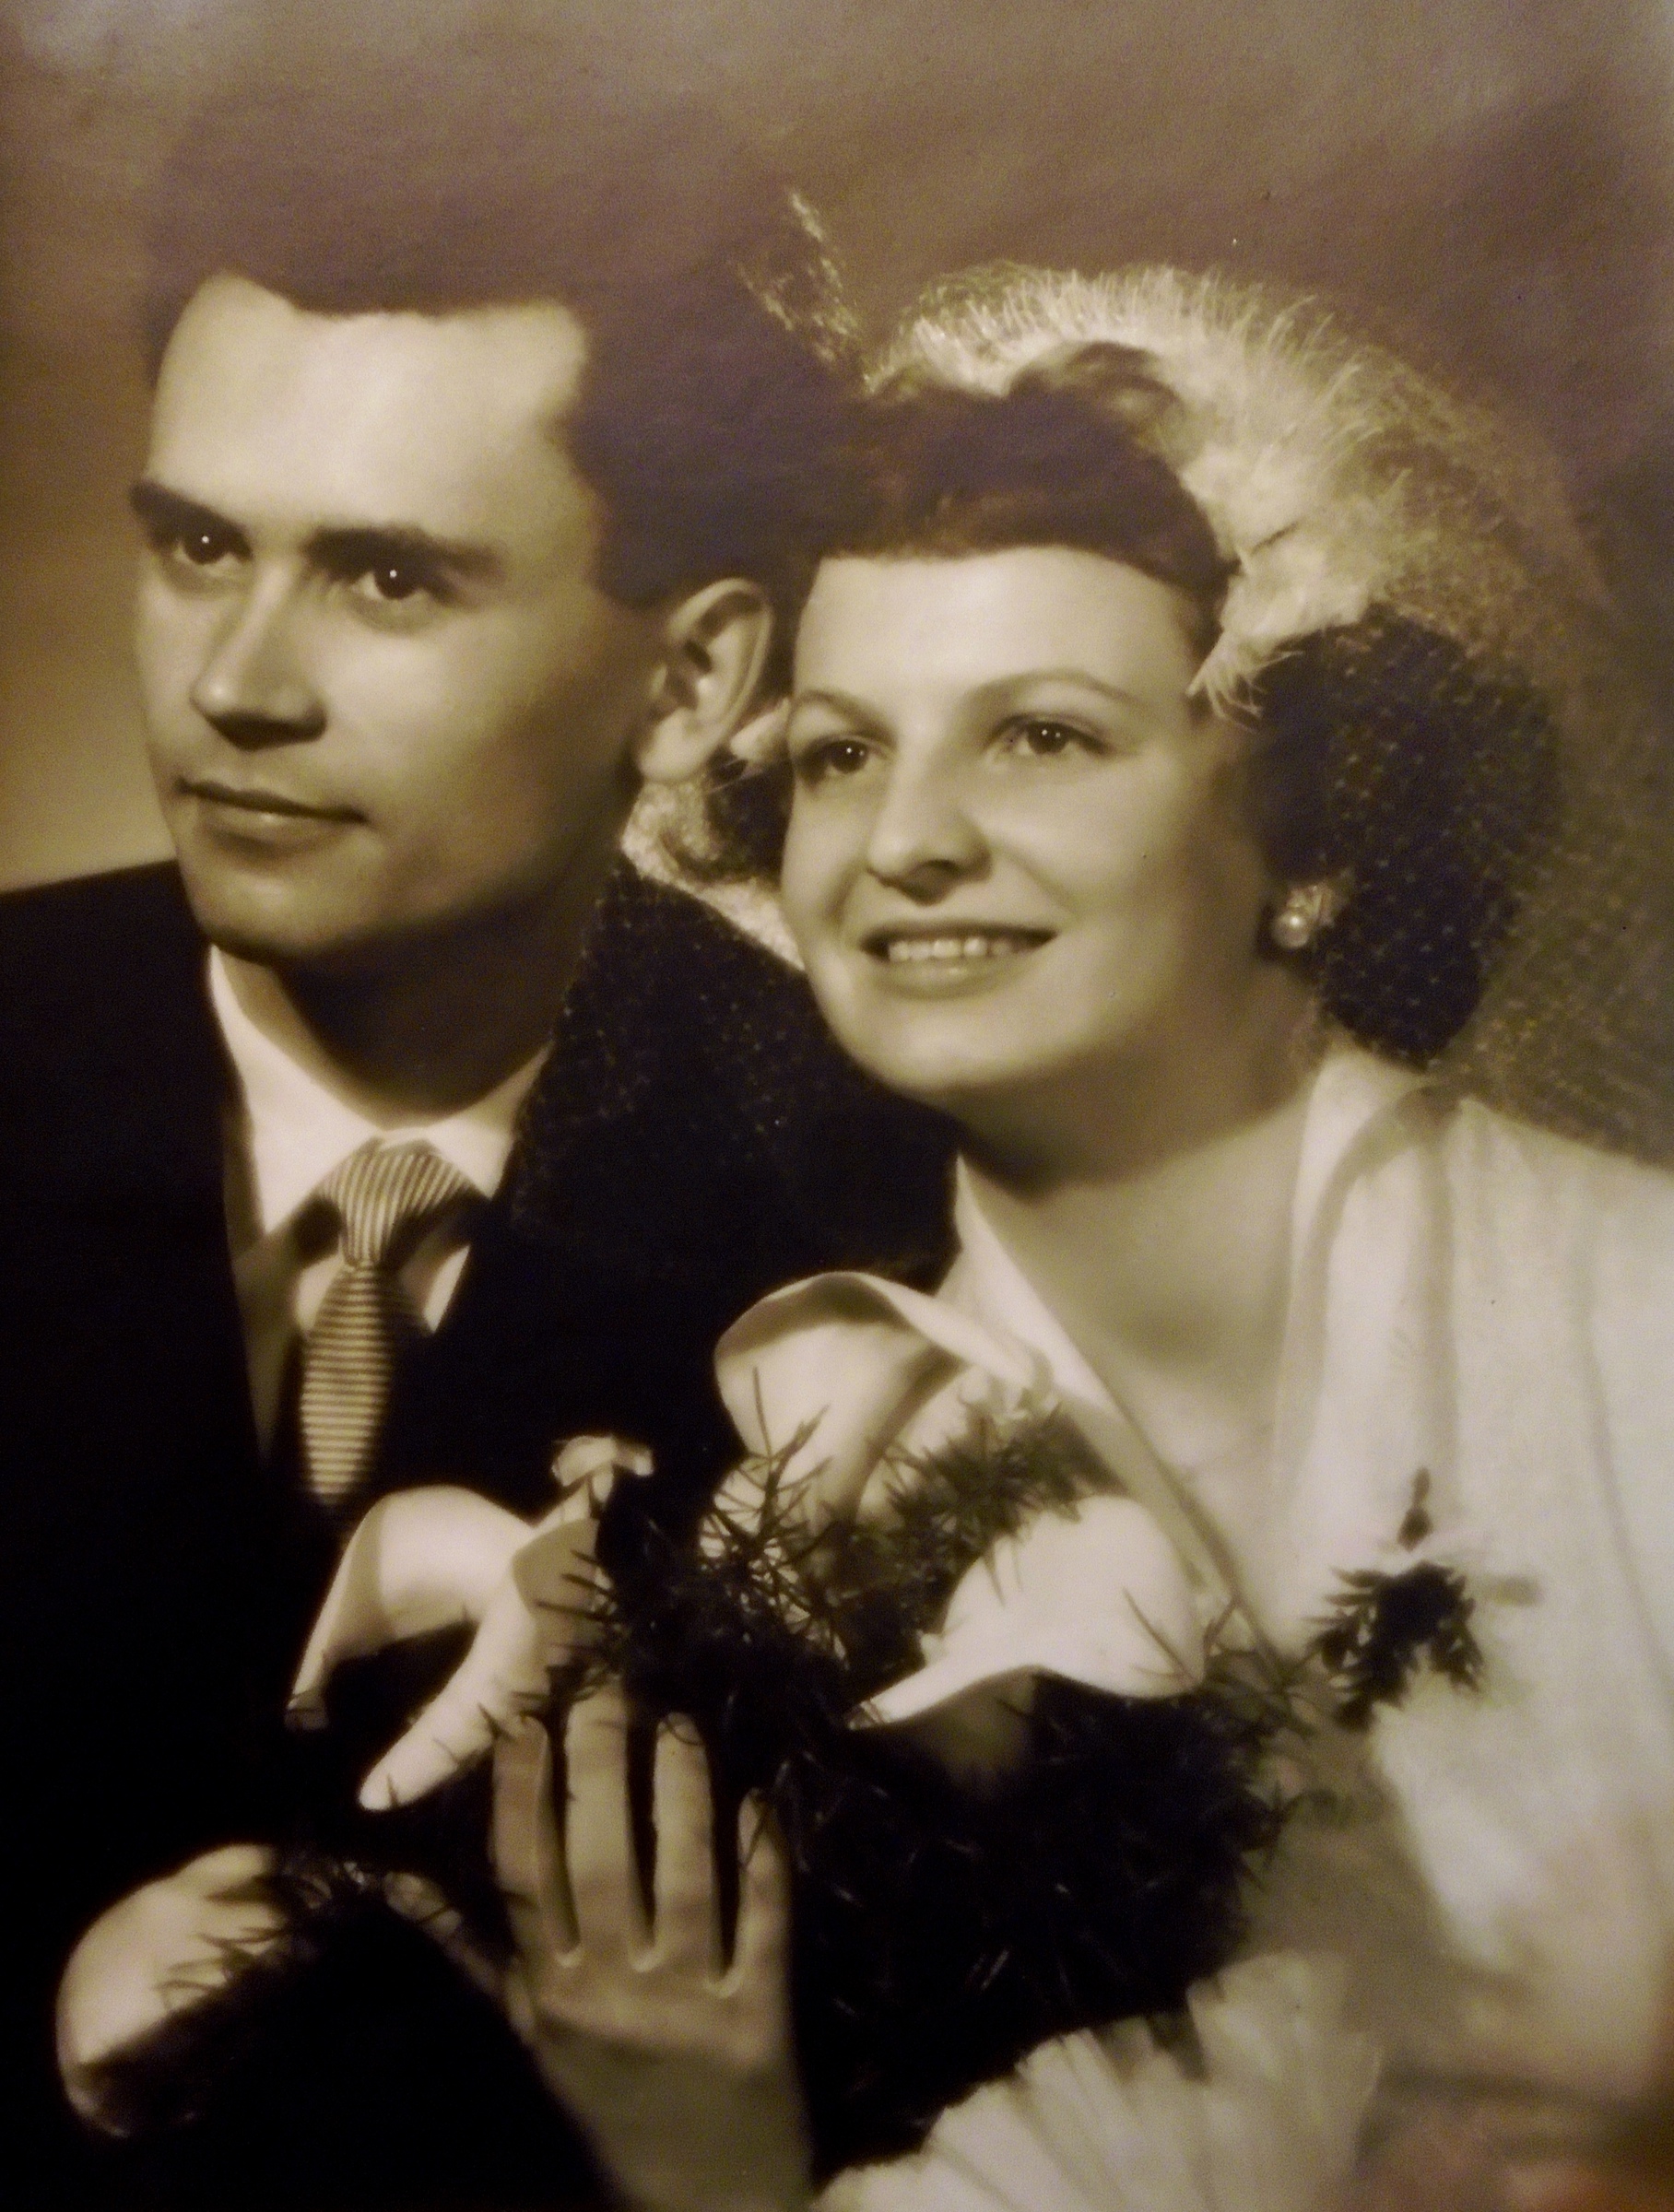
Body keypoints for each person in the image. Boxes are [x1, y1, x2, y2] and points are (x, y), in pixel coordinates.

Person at [408, 265, 1674, 2209]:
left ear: (1316, 836)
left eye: (1042, 739)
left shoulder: (1635, 1320)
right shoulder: (811, 1485)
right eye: (839, 753)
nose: (904, 842)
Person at [4, 63, 953, 2211]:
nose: (237, 684)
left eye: (387, 581)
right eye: (195, 548)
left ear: (693, 684)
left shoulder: (890, 1214)